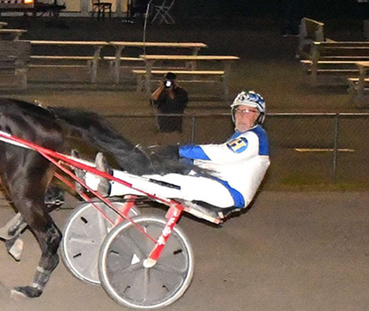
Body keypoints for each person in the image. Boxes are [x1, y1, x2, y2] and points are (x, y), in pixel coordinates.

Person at [87, 91, 270, 217]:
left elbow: (222, 154)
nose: (242, 115)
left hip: (228, 193)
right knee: (162, 172)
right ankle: (106, 176)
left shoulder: (254, 138)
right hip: (220, 184)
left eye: (248, 111)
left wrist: (180, 150)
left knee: (168, 183)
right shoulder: (246, 137)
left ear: (258, 116)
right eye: (239, 110)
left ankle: (110, 185)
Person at [151, 72, 188, 145]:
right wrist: (161, 88)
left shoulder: (181, 92)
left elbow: (175, 101)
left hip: (175, 119)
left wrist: (171, 91)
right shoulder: (162, 91)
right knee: (162, 138)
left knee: (174, 140)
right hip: (163, 119)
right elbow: (153, 99)